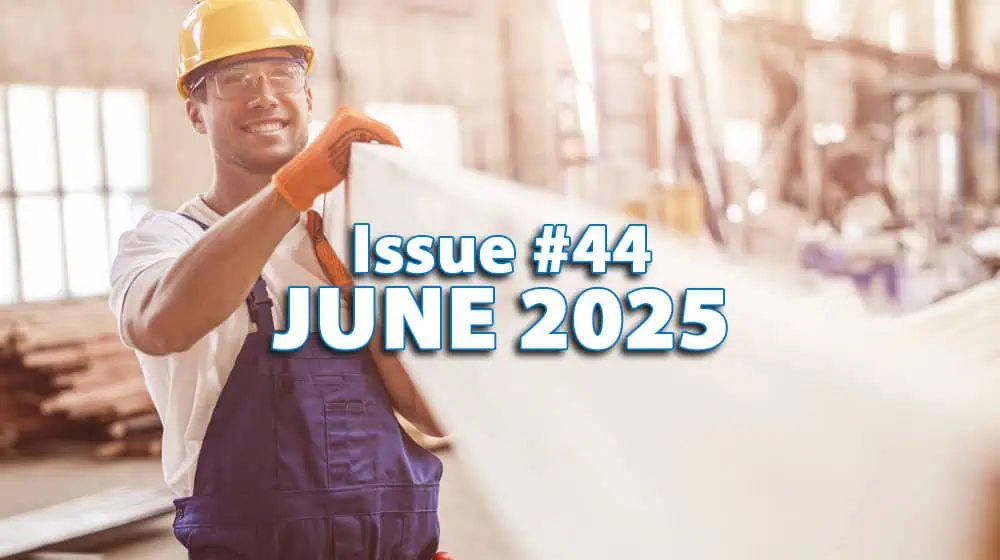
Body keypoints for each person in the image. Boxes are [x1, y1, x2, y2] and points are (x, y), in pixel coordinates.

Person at [108, 0, 451, 557]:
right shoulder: (163, 242)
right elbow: (160, 323)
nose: (263, 95)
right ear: (195, 113)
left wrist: (365, 290)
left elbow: (434, 414)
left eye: (282, 75)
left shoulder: (352, 239)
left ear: (309, 99)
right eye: (233, 80)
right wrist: (294, 189)